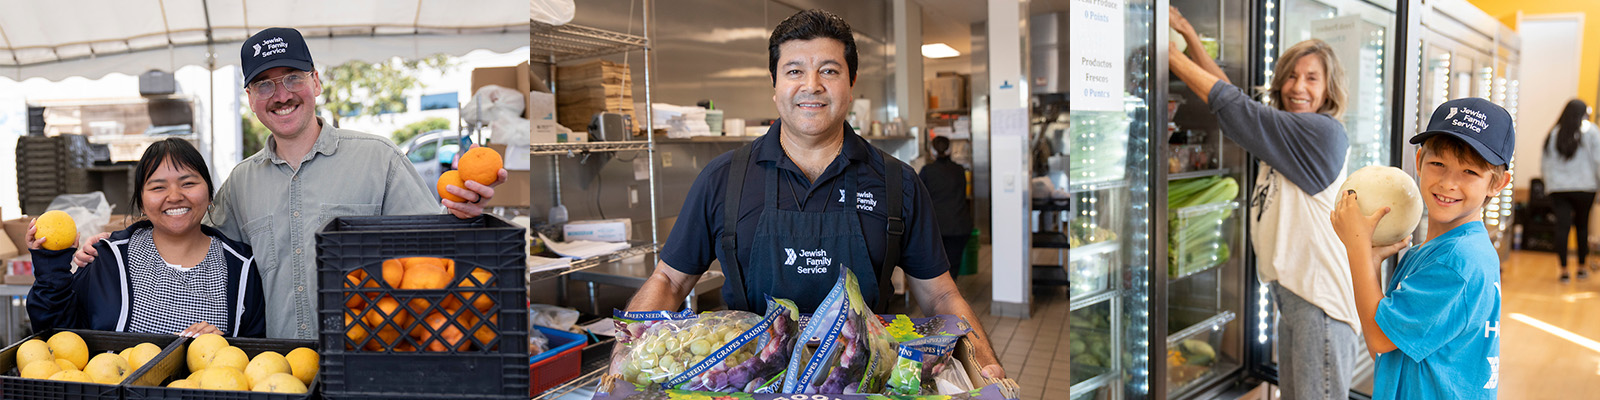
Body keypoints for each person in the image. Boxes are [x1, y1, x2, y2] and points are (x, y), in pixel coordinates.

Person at [620, 9, 1003, 380]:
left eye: (829, 71)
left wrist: (984, 365)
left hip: (863, 382)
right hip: (744, 382)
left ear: (851, 85)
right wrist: (625, 355)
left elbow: (940, 297)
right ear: (775, 87)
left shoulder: (896, 182)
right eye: (794, 71)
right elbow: (670, 281)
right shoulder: (723, 179)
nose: (811, 85)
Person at [75, 27, 508, 339]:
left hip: (371, 352)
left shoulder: (379, 159)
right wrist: (112, 244)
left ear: (316, 82)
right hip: (277, 369)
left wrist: (463, 214)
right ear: (250, 100)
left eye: (293, 78)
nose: (280, 94)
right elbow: (187, 233)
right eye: (264, 84)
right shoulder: (241, 184)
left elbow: (433, 254)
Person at [1169, 7, 1360, 398]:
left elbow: (1234, 106)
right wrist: (1188, 33)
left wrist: (1166, 53)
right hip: (1294, 296)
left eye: (1311, 78)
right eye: (1290, 75)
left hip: (1319, 302)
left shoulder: (1323, 134)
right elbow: (1235, 105)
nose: (1298, 87)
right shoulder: (1283, 133)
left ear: (1329, 89)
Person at [1331, 97, 1509, 399]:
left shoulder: (1456, 262)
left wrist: (1357, 248)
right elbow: (1393, 351)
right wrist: (1371, 261)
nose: (1448, 183)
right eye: (1438, 164)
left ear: (1497, 184)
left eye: (1470, 172)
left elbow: (1378, 339)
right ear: (1418, 162)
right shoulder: (1436, 252)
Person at [28, 138, 266, 338]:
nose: (175, 196)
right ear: (141, 201)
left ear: (209, 194)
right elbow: (57, 335)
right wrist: (51, 265)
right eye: (158, 187)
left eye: (188, 183)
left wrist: (226, 347)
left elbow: (257, 357)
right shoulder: (108, 258)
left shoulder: (242, 268)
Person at [1539, 99, 1600, 283]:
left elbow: (1545, 164)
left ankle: (1563, 270)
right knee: (1582, 227)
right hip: (1585, 188)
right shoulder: (1591, 131)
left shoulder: (1554, 133)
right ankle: (1581, 268)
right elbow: (1598, 161)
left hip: (1558, 189)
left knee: (1562, 228)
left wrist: (1549, 185)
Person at [920, 136, 973, 276]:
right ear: (950, 150)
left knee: (938, 270)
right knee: (953, 269)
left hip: (937, 227)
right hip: (960, 226)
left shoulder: (927, 171)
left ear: (932, 151)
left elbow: (919, 198)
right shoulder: (960, 170)